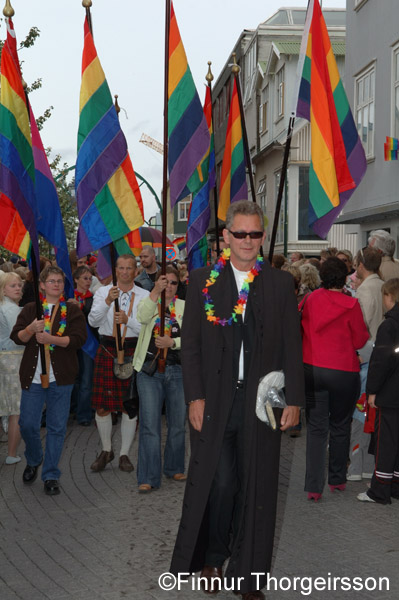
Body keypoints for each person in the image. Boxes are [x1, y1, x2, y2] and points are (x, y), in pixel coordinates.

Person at [170, 200, 305, 600]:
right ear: (226, 237)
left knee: (259, 486)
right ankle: (214, 556)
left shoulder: (280, 284)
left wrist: (294, 399)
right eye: (240, 233)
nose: (248, 241)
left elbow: (292, 346)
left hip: (263, 405)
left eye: (255, 234)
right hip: (214, 403)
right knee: (221, 481)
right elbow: (190, 346)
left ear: (263, 237)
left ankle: (248, 577)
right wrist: (194, 396)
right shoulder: (202, 281)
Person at [10, 266, 87, 495]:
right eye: (51, 281)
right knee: (28, 424)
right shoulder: (31, 309)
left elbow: (78, 340)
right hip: (33, 379)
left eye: (60, 281)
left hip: (61, 379)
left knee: (56, 428)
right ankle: (34, 458)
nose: (56, 284)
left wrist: (51, 338)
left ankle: (51, 474)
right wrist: (30, 330)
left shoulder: (72, 311)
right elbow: (17, 337)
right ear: (42, 285)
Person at [300, 257, 369, 502]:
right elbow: (361, 341)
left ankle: (313, 487)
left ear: (322, 277)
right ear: (344, 278)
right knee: (340, 425)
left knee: (317, 429)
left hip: (313, 368)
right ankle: (337, 480)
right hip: (343, 371)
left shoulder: (309, 300)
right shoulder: (351, 305)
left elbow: (298, 328)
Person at [88, 254, 149, 472]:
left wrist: (128, 321)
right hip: (107, 348)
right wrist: (106, 302)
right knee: (103, 406)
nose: (124, 272)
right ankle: (106, 450)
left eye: (129, 268)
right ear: (115, 270)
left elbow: (147, 330)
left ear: (136, 270)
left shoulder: (145, 295)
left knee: (129, 407)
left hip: (133, 350)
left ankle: (124, 454)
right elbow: (93, 321)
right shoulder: (103, 292)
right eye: (121, 268)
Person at [133, 266, 186, 492]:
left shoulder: (186, 307)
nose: (170, 287)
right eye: (166, 282)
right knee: (149, 425)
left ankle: (174, 466)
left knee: (177, 424)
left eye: (174, 283)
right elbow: (141, 317)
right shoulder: (149, 301)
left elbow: (195, 336)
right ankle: (147, 475)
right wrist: (155, 292)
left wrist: (173, 343)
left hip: (178, 371)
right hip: (149, 371)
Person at [357, 278, 399, 504]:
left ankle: (380, 489)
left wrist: (372, 391)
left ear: (390, 297)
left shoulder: (389, 325)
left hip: (390, 393)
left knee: (386, 441)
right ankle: (394, 485)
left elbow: (380, 361)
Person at [346, 247, 383, 482]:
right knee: (373, 415)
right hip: (382, 357)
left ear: (360, 265)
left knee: (360, 415)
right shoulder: (383, 286)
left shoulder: (363, 292)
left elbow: (360, 329)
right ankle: (369, 464)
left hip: (366, 357)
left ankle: (357, 466)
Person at [70, 266, 98, 426]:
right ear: (76, 279)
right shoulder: (67, 297)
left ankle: (84, 414)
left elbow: (93, 321)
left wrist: (80, 309)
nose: (88, 281)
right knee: (74, 378)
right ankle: (73, 407)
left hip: (88, 344)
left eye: (90, 278)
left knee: (87, 379)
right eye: (85, 278)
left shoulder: (92, 299)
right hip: (72, 343)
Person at [0, 273, 24, 464]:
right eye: (12, 286)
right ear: (3, 289)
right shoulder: (10, 309)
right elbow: (20, 337)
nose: (18, 288)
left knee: (9, 408)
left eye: (19, 285)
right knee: (15, 409)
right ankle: (12, 453)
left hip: (7, 359)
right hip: (13, 360)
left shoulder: (7, 307)